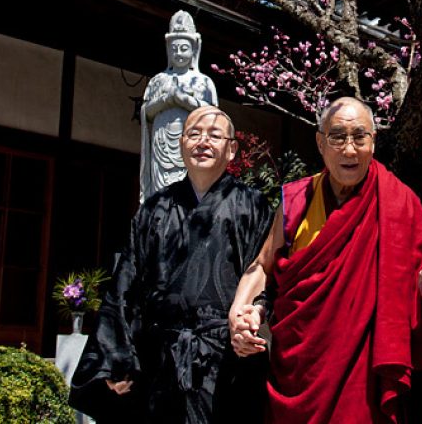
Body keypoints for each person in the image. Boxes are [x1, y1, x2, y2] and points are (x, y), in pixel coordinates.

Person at [228, 97, 422, 424]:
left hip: (363, 377)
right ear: (320, 143)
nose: (349, 149)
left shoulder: (401, 204)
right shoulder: (296, 200)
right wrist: (239, 313)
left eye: (359, 136)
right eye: (338, 136)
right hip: (298, 370)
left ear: (374, 141)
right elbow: (261, 265)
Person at [70, 106, 272, 423]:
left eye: (214, 135)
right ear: (180, 145)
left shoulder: (252, 206)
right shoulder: (155, 209)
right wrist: (116, 357)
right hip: (161, 362)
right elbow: (126, 286)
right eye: (194, 134)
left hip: (226, 363)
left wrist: (254, 319)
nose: (203, 142)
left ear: (231, 149)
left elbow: (265, 274)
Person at [140, 9, 218, 203]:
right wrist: (166, 100)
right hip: (161, 145)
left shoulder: (203, 82)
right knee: (161, 197)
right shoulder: (159, 80)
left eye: (184, 48)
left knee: (189, 196)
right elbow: (145, 113)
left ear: (194, 50)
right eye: (174, 49)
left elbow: (213, 116)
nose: (179, 53)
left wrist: (186, 101)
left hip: (191, 146)